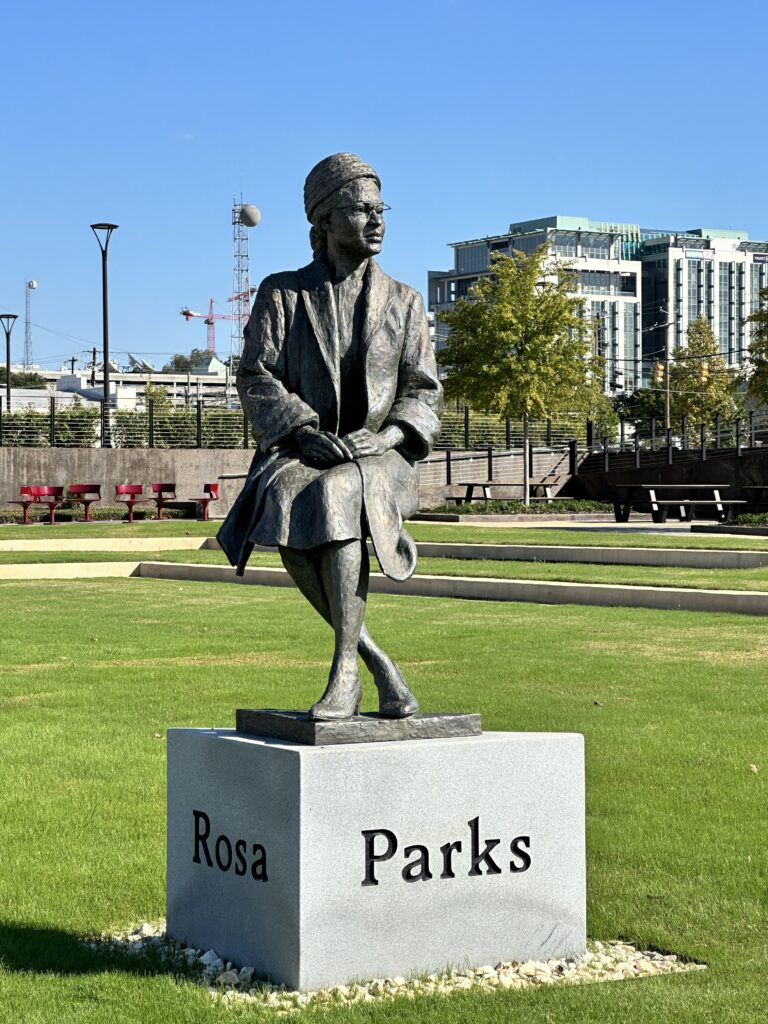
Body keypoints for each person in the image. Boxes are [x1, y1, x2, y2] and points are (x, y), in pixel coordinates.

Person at [218, 153, 443, 721]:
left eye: (380, 208)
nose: (376, 220)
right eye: (360, 209)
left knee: (337, 492)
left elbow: (425, 389)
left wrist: (389, 435)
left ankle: (344, 673)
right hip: (305, 450)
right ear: (323, 220)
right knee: (286, 497)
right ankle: (373, 658)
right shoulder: (283, 294)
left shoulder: (404, 302)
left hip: (382, 457)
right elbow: (254, 373)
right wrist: (302, 429)